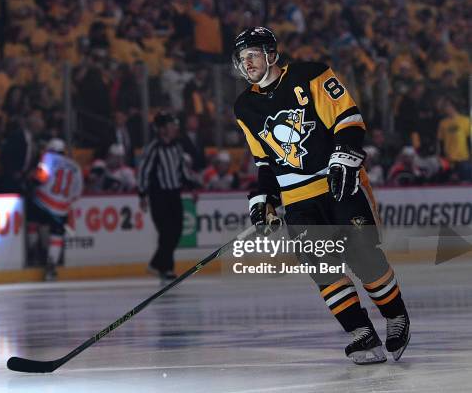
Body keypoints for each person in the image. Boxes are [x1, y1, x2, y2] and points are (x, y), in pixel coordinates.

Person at [232, 27, 410, 364]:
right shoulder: (245, 107)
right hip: (297, 200)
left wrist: (344, 154)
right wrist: (263, 199)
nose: (247, 62)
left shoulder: (310, 74)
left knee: (364, 258)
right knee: (323, 267)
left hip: (338, 183)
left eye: (253, 54)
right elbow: (265, 162)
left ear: (271, 54)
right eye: (242, 58)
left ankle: (396, 316)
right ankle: (360, 331)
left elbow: (349, 119)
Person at [137, 111, 198, 281]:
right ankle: (166, 268)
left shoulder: (177, 146)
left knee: (176, 230)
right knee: (166, 232)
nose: (175, 128)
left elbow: (183, 170)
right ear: (162, 129)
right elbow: (144, 172)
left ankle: (158, 264)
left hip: (174, 193)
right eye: (172, 125)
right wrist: (142, 194)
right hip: (159, 195)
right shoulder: (153, 148)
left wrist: (192, 187)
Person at [27, 138, 83, 281]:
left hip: (42, 201)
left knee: (33, 222)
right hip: (62, 208)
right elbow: (76, 193)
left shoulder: (48, 158)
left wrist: (29, 182)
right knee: (56, 236)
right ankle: (51, 267)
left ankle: (33, 252)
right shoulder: (75, 166)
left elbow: (40, 177)